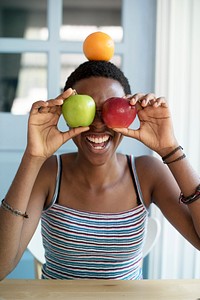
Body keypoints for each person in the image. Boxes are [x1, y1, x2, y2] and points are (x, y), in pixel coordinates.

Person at [0, 60, 200, 280]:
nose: (98, 124)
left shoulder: (147, 173)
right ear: (65, 115)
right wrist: (33, 156)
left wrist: (170, 148)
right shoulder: (49, 172)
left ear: (130, 115)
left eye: (109, 110)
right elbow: (2, 266)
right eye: (87, 111)